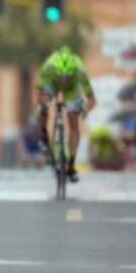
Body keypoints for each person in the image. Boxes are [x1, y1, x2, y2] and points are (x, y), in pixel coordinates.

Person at [36, 46, 96, 183]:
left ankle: (71, 164)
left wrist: (84, 109)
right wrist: (44, 106)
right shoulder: (49, 67)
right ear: (55, 70)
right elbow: (39, 93)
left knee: (73, 120)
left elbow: (91, 99)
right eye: (61, 76)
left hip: (72, 89)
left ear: (73, 72)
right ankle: (44, 135)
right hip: (51, 83)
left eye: (67, 75)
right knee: (43, 105)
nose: (63, 79)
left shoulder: (79, 70)